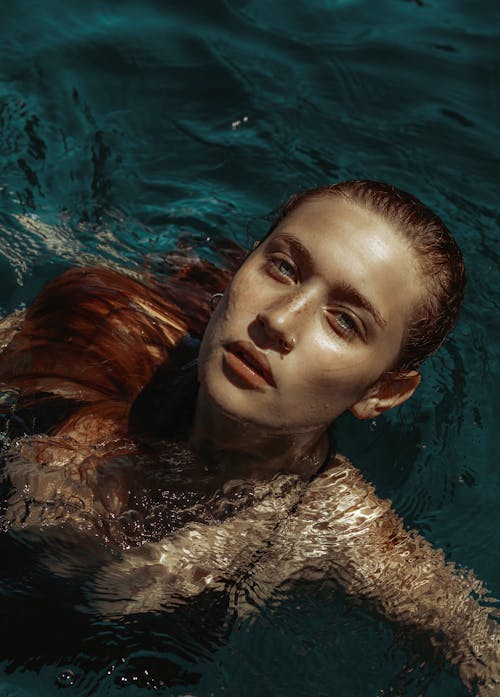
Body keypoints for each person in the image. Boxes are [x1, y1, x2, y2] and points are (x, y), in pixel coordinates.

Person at [0, 180, 498, 694]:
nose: (278, 319)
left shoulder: (334, 522)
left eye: (345, 322)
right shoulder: (95, 328)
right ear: (246, 267)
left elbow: (480, 647)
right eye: (282, 267)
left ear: (383, 392)